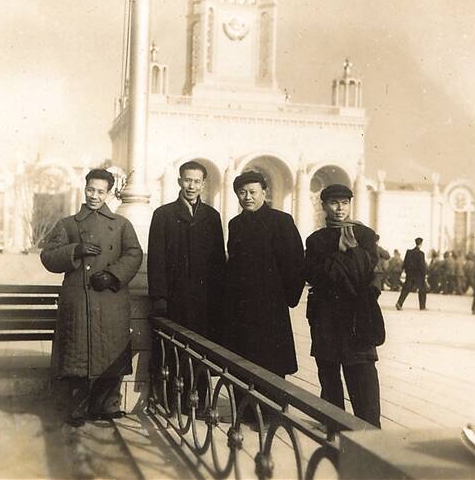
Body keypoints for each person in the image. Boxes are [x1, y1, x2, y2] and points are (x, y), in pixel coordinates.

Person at [41, 168, 143, 426]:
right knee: (78, 355)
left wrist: (112, 275)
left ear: (109, 193)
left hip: (111, 298)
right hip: (79, 301)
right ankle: (77, 408)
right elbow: (48, 256)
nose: (94, 196)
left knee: (111, 352)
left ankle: (106, 405)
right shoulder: (68, 224)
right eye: (90, 190)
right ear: (84, 188)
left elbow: (134, 254)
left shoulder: (121, 224)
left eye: (100, 191)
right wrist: (74, 250)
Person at [305, 184, 382, 428]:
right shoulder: (316, 240)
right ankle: (333, 422)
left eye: (345, 202)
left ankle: (368, 426)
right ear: (324, 206)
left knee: (362, 371)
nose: (340, 208)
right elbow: (313, 274)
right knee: (328, 370)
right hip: (326, 314)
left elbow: (370, 272)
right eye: (334, 202)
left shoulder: (365, 235)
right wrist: (342, 257)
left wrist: (343, 261)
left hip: (357, 314)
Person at [224, 171, 305, 380]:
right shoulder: (235, 224)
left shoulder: (281, 221)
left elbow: (295, 263)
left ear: (264, 192)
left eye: (252, 192)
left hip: (271, 308)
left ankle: (271, 401)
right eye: (242, 193)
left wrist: (286, 298)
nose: (247, 197)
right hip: (241, 307)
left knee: (272, 365)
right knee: (242, 364)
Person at [147, 160, 226, 340]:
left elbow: (218, 260)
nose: (192, 186)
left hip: (205, 297)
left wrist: (219, 295)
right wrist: (159, 297)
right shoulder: (163, 214)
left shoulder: (212, 216)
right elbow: (156, 258)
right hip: (175, 295)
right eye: (187, 180)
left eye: (197, 182)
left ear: (203, 184)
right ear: (179, 181)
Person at [395, 238, 427, 311]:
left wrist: (406, 271)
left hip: (410, 274)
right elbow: (422, 266)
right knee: (422, 289)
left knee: (406, 289)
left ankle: (399, 303)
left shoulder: (409, 252)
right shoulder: (421, 254)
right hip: (418, 275)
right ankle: (422, 306)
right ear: (421, 244)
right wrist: (424, 274)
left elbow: (405, 263)